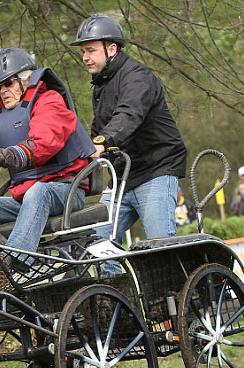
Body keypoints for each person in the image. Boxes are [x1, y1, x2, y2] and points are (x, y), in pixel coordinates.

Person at [0, 47, 95, 270]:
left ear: (27, 80)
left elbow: (45, 144)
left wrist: (7, 155)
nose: (3, 91)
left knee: (39, 191)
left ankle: (14, 259)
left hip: (65, 190)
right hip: (25, 200)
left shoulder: (50, 101)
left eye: (8, 84)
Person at [72, 14, 187, 255]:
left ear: (111, 48)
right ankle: (120, 288)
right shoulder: (102, 84)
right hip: (122, 177)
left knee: (160, 250)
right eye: (83, 51)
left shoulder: (138, 77)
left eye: (91, 50)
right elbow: (99, 129)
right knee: (93, 245)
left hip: (156, 170)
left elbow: (127, 116)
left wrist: (101, 143)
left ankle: (178, 292)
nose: (85, 58)